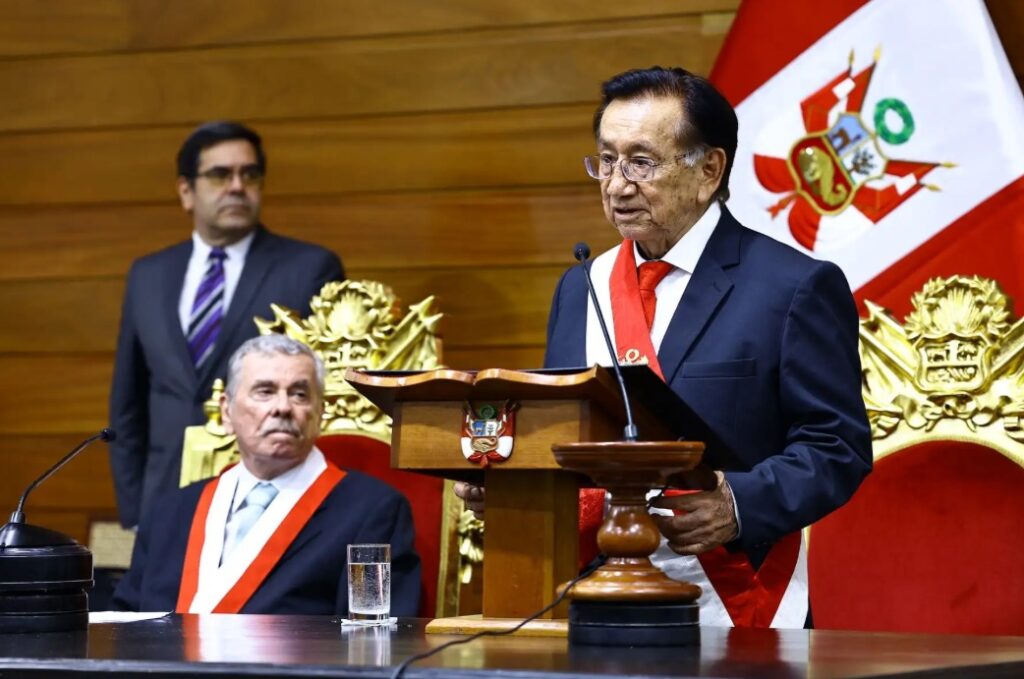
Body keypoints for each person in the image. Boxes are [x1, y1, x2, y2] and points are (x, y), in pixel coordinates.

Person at [459, 67, 871, 628]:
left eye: (641, 162)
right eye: (606, 161)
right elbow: (562, 434)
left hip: (731, 598)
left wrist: (738, 504)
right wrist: (509, 482)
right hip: (591, 593)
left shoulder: (793, 287)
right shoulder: (581, 286)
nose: (616, 185)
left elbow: (837, 446)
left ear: (709, 170)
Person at [109, 121, 344, 529]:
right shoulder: (148, 275)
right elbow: (128, 404)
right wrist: (134, 512)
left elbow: (328, 400)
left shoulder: (309, 269)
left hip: (267, 499)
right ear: (186, 191)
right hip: (162, 501)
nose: (237, 186)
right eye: (220, 174)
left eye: (249, 174)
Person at [112, 334, 421, 615]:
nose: (283, 407)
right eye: (265, 391)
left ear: (320, 413)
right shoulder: (171, 511)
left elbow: (372, 639)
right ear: (226, 411)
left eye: (299, 394)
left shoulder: (372, 512)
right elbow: (124, 622)